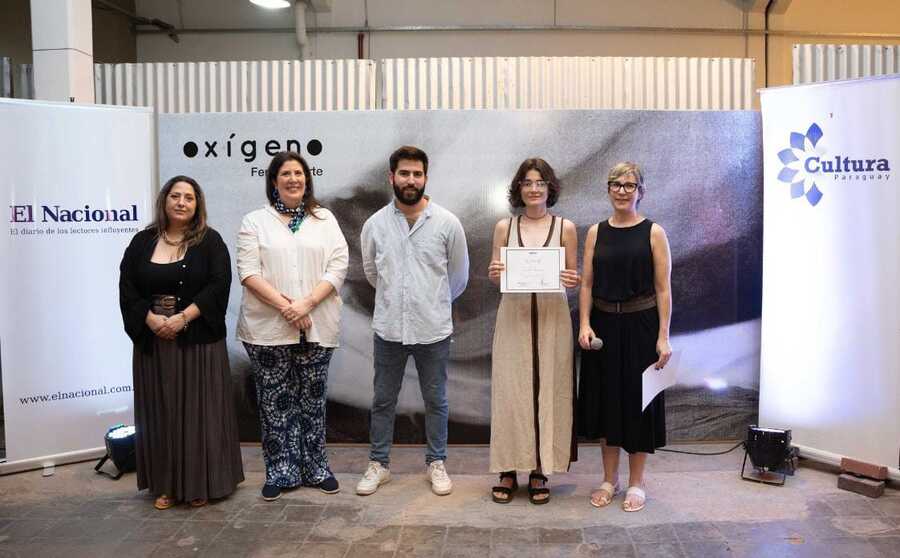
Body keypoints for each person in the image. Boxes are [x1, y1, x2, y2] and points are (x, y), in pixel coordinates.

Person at [119, 175, 244, 510]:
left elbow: (219, 285)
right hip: (154, 339)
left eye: (189, 197)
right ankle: (167, 486)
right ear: (164, 201)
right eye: (175, 196)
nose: (181, 202)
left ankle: (199, 483)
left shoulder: (211, 241)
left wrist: (183, 318)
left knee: (197, 415)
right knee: (162, 413)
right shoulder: (142, 242)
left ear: (197, 205)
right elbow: (128, 286)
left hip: (197, 340)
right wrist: (150, 319)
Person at [356, 145, 470, 496]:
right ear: (392, 177)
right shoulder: (375, 224)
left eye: (417, 174)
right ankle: (379, 464)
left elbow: (459, 276)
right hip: (389, 327)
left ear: (425, 177)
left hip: (432, 329)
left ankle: (436, 463)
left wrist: (430, 301)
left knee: (436, 400)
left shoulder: (447, 223)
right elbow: (373, 273)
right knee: (383, 400)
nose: (410, 180)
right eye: (404, 173)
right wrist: (400, 299)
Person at [236, 151, 349, 501]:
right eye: (285, 173)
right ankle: (280, 470)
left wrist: (307, 304)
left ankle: (316, 468)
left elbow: (339, 263)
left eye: (299, 173)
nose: (293, 179)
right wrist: (289, 308)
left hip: (317, 324)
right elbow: (249, 273)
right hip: (267, 331)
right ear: (274, 181)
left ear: (307, 179)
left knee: (312, 402)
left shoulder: (324, 219)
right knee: (274, 402)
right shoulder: (255, 221)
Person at [577, 162, 673, 512]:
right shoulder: (595, 233)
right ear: (608, 189)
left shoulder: (653, 233)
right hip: (603, 327)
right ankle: (608, 479)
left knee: (639, 405)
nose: (621, 190)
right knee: (607, 404)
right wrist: (584, 323)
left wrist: (663, 336)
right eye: (615, 184)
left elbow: (663, 289)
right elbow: (586, 282)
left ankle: (636, 483)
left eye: (629, 185)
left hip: (642, 327)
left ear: (640, 191)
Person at [487, 158, 580, 505]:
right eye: (527, 182)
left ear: (549, 187)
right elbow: (495, 273)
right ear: (519, 189)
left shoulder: (565, 228)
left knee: (550, 391)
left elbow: (573, 276)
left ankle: (541, 468)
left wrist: (574, 278)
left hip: (553, 318)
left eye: (540, 182)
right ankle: (509, 469)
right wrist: (495, 272)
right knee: (511, 393)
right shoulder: (503, 228)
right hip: (513, 317)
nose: (534, 188)